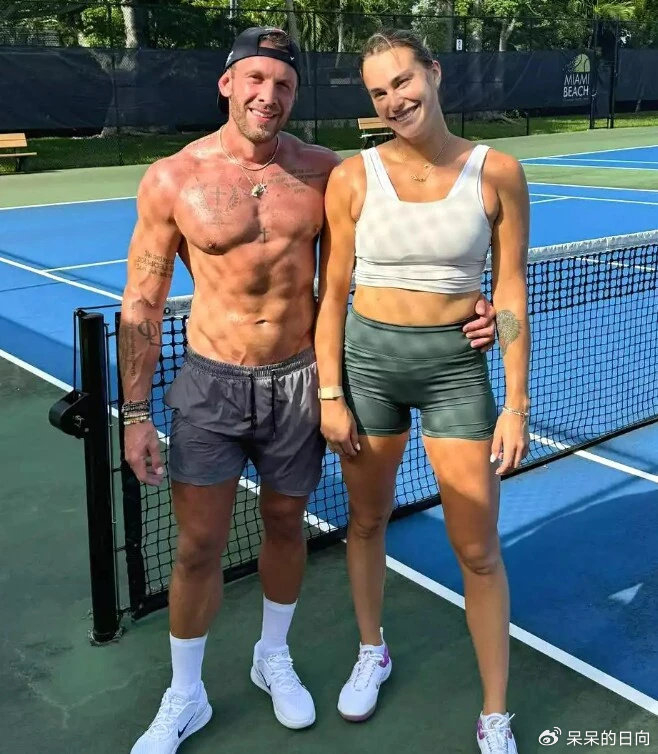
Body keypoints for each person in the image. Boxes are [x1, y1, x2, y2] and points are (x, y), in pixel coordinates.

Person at [120, 26, 497, 753]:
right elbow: (142, 298)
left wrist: (473, 302)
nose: (269, 95)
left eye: (284, 84)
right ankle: (185, 696)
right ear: (227, 84)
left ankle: (273, 656)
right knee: (197, 546)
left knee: (287, 525)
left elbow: (404, 242)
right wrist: (135, 411)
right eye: (256, 80)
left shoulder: (326, 172)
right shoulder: (173, 178)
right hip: (210, 385)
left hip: (300, 382)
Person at [315, 29, 530, 754]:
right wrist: (330, 393)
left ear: (433, 73)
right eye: (379, 92)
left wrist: (516, 403)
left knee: (478, 549)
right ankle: (371, 649)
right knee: (366, 521)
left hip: (454, 374)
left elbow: (508, 292)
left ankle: (494, 712)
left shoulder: (498, 172)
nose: (394, 100)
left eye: (403, 81)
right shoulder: (352, 177)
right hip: (368, 369)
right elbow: (332, 293)